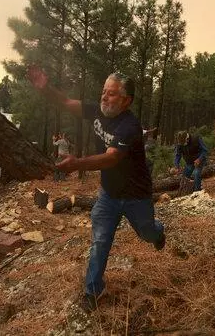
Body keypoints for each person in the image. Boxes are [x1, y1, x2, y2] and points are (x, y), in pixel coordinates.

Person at [27, 66, 165, 312]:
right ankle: (93, 290)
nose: (104, 97)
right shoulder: (97, 110)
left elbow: (111, 158)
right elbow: (67, 102)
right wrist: (46, 89)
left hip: (136, 197)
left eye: (111, 94)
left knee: (147, 234)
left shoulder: (129, 126)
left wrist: (77, 164)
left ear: (126, 100)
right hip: (108, 196)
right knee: (100, 241)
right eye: (103, 91)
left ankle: (158, 231)